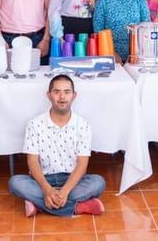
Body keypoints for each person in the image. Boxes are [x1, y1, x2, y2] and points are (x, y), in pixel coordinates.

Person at [8, 74, 105, 217]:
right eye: (56, 92)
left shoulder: (83, 125)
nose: (62, 97)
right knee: (15, 183)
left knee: (98, 182)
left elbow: (82, 164)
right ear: (48, 95)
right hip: (43, 180)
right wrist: (47, 190)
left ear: (74, 95)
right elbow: (32, 161)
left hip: (72, 181)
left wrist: (65, 191)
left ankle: (39, 204)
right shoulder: (35, 124)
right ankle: (79, 208)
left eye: (67, 92)